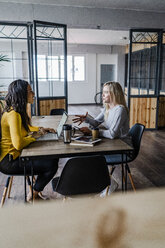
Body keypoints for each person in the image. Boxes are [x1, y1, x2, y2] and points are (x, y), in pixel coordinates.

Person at [0, 79, 59, 201]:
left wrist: (41, 129)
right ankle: (34, 195)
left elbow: (25, 129)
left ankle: (35, 191)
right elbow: (18, 144)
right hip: (9, 162)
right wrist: (34, 137)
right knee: (51, 165)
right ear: (21, 94)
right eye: (30, 91)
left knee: (52, 157)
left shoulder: (15, 111)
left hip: (13, 157)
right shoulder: (14, 114)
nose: (33, 94)